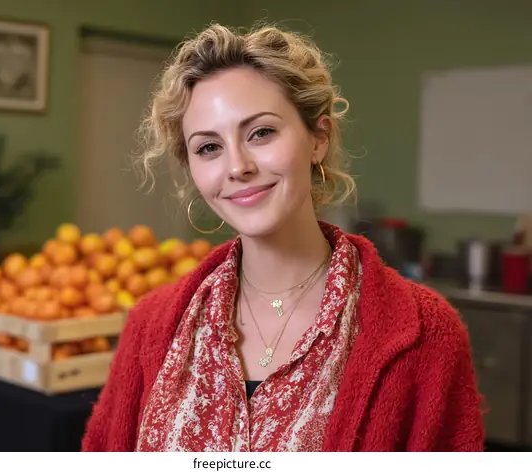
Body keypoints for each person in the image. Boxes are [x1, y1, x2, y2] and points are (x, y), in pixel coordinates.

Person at [81, 23, 485, 452]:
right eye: (208, 148)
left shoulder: (425, 335)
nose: (237, 166)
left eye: (261, 133)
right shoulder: (152, 325)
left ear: (318, 138)